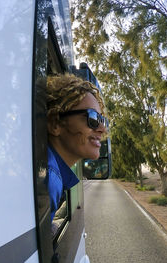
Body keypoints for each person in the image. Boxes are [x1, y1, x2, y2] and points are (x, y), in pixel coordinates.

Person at [45, 73, 107, 222]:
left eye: (102, 120)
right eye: (92, 118)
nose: (102, 129)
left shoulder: (46, 167)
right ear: (55, 124)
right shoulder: (48, 178)